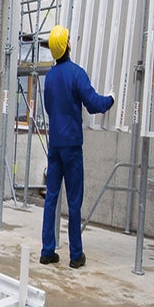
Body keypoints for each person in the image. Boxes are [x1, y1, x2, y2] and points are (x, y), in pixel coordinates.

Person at [40, 25, 114, 269]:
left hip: (55, 145)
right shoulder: (76, 73)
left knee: (51, 198)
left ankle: (47, 251)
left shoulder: (49, 77)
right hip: (72, 145)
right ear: (67, 45)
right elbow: (93, 104)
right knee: (73, 200)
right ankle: (76, 255)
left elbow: (49, 107)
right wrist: (111, 99)